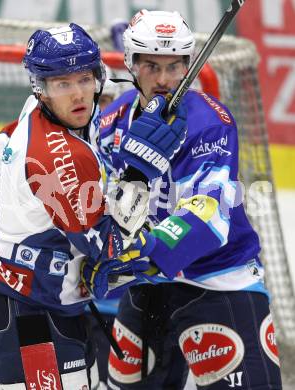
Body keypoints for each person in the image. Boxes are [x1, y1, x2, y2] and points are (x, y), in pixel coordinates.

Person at [0, 22, 187, 389]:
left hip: (26, 293)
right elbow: (109, 246)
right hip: (27, 313)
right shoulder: (62, 158)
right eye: (62, 84)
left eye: (85, 79)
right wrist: (139, 172)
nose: (79, 94)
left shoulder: (39, 107)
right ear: (42, 87)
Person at [92, 9, 283, 390]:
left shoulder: (210, 122)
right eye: (151, 66)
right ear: (131, 63)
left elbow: (208, 214)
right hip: (145, 284)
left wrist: (146, 250)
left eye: (174, 66)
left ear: (187, 64)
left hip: (217, 281)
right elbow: (103, 203)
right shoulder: (112, 121)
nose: (163, 80)